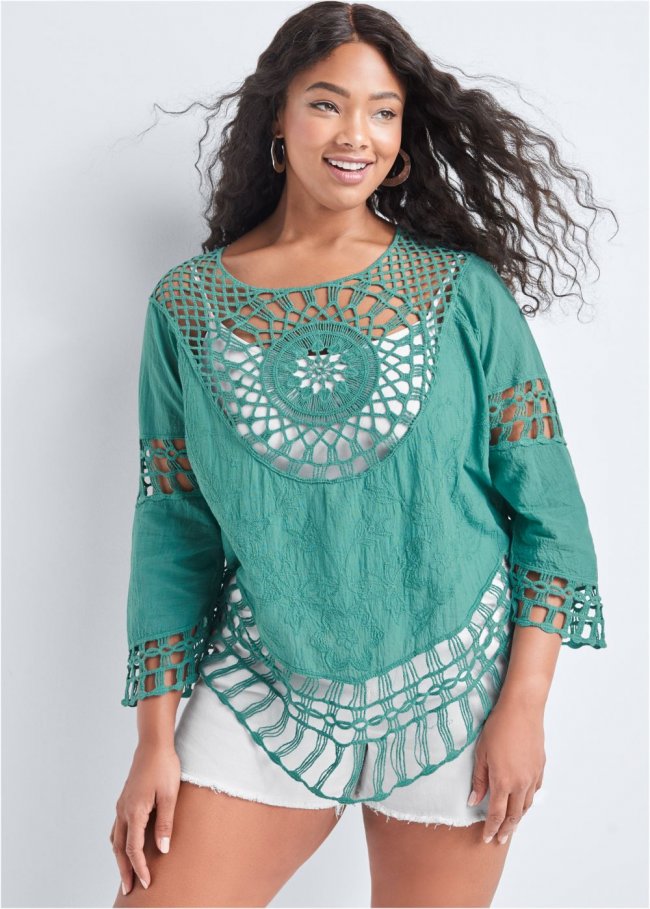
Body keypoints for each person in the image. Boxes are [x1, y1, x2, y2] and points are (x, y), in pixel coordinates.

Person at [110, 3, 614, 906]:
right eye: (327, 104)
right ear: (277, 115)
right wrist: (155, 740)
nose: (357, 135)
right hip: (261, 684)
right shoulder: (187, 307)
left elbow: (550, 513)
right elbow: (174, 526)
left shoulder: (463, 294)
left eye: (383, 112)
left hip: (457, 692)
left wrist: (524, 707)